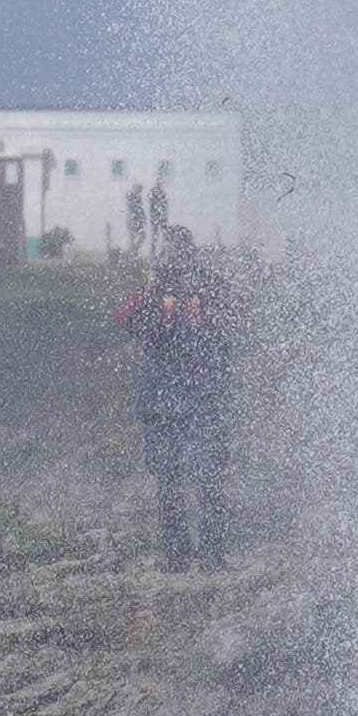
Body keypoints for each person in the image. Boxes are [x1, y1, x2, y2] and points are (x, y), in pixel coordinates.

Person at [122, 224, 238, 565]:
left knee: (209, 477)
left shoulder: (210, 284)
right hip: (161, 402)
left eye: (177, 256)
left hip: (204, 399)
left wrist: (198, 292)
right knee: (167, 481)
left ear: (192, 256)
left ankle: (213, 554)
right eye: (166, 256)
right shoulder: (152, 292)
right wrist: (151, 289)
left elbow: (236, 312)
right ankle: (175, 553)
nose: (172, 264)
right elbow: (127, 318)